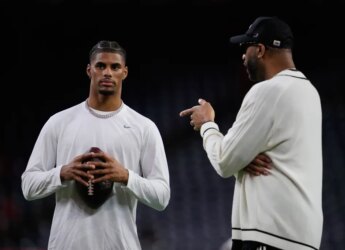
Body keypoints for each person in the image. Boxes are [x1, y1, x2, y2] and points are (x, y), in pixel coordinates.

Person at [179, 16, 323, 250]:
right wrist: (242, 160)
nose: (243, 56)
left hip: (269, 234)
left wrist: (207, 125)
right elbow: (282, 159)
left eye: (246, 48)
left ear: (261, 49)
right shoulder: (309, 91)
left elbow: (224, 161)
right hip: (304, 237)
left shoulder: (267, 91)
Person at [21, 40, 171, 250]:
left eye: (115, 67)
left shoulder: (144, 127)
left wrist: (126, 176)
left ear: (124, 72)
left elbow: (162, 196)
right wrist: (63, 172)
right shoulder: (59, 122)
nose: (107, 72)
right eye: (101, 66)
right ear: (89, 70)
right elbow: (28, 186)